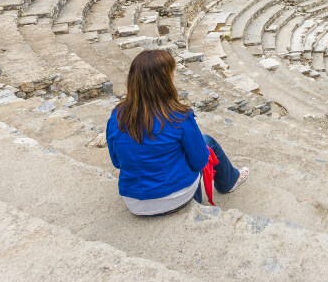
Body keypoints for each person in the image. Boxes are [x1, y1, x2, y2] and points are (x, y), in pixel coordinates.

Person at [106, 50, 248, 216]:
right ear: (165, 80)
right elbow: (200, 162)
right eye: (171, 72)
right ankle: (229, 181)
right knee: (207, 141)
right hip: (177, 198)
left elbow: (117, 162)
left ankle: (228, 180)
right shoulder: (179, 116)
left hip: (134, 202)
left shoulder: (117, 116)